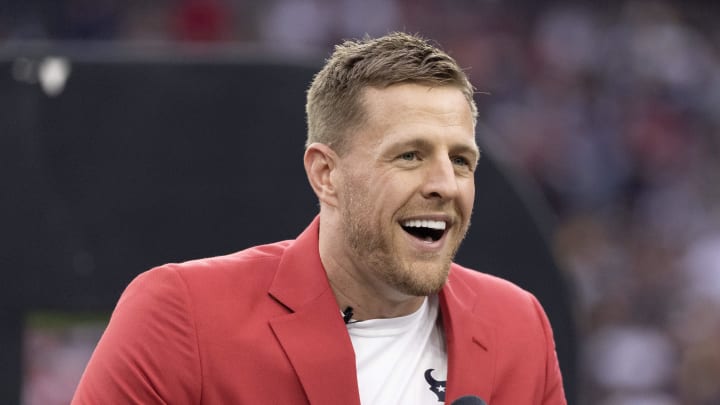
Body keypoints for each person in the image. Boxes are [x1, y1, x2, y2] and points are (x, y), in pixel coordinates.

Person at [72, 32, 566, 405]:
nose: (445, 184)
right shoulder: (182, 316)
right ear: (326, 175)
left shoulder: (519, 327)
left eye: (461, 160)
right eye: (410, 155)